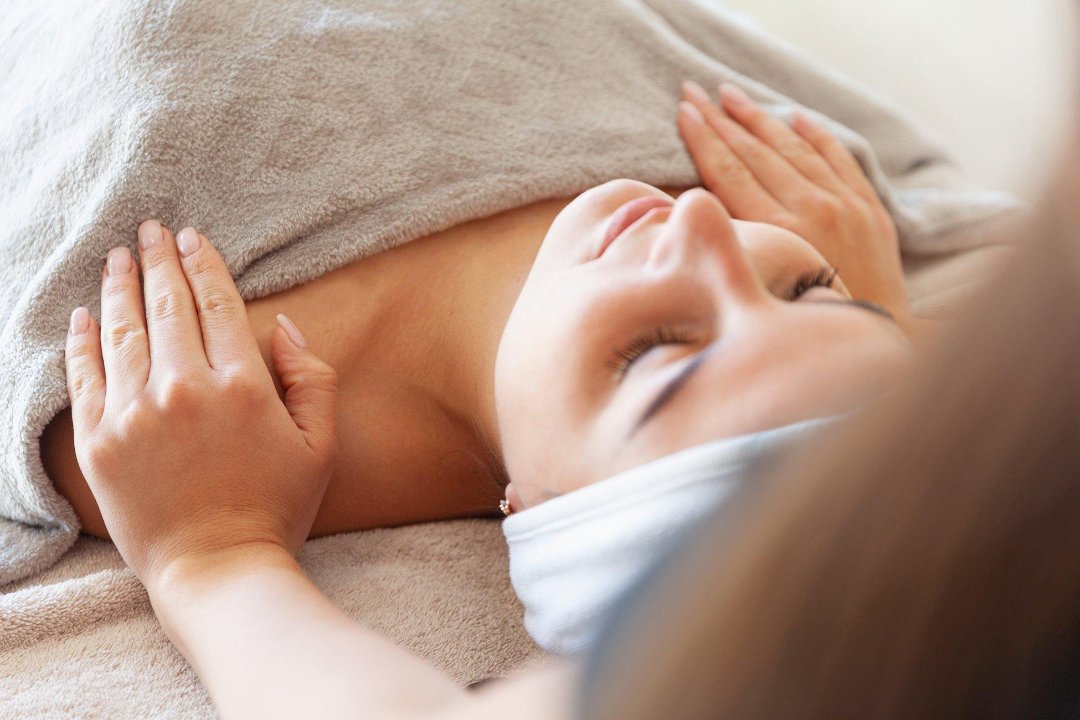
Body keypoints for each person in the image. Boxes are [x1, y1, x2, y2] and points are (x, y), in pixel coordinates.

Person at [45, 82, 916, 542]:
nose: (706, 227)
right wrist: (877, 330)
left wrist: (213, 550)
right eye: (806, 290)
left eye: (658, 351)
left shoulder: (161, 420)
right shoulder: (833, 195)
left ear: (530, 510)